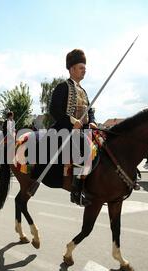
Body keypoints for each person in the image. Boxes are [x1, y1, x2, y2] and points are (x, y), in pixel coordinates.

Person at [49, 49, 97, 207]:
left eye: (85, 67)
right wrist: (72, 120)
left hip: (83, 130)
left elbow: (90, 110)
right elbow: (54, 109)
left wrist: (93, 121)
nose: (84, 70)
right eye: (81, 67)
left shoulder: (83, 91)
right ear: (71, 69)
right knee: (81, 147)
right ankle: (76, 192)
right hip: (65, 129)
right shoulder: (63, 87)